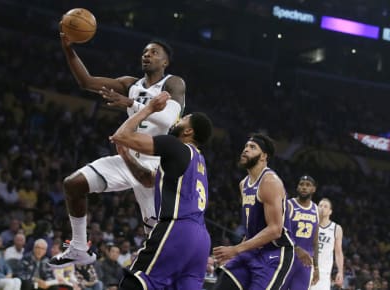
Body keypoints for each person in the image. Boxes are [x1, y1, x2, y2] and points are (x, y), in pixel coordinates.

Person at [49, 27, 185, 268]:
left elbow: (168, 120)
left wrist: (131, 103)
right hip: (127, 159)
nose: (147, 55)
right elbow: (86, 81)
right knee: (73, 184)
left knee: (159, 239)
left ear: (166, 61)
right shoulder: (129, 83)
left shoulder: (172, 83)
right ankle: (79, 249)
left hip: (156, 167)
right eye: (145, 52)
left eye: (154, 52)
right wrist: (68, 48)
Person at [109, 91, 213, 289]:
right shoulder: (199, 160)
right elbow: (148, 179)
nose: (176, 122)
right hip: (201, 241)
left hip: (178, 229)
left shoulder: (176, 146)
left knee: (134, 284)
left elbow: (121, 135)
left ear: (189, 131)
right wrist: (126, 156)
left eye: (183, 119)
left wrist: (149, 108)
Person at [212, 133, 294, 290]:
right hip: (252, 250)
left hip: (274, 253)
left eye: (252, 147)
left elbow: (275, 230)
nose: (245, 150)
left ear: (263, 156)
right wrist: (236, 252)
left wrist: (235, 249)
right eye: (245, 146)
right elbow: (252, 229)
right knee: (222, 285)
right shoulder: (244, 184)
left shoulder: (270, 181)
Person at [283, 175, 320, 289]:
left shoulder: (316, 209)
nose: (304, 187)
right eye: (301, 184)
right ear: (297, 188)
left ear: (313, 189)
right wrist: (296, 248)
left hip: (305, 264)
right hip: (287, 259)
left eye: (308, 185)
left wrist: (317, 267)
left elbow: (315, 241)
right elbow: (281, 232)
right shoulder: (289, 205)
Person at [310, 198, 344, 290]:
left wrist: (340, 272)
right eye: (320, 205)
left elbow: (338, 252)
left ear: (330, 212)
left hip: (323, 273)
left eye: (325, 206)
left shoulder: (336, 228)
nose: (322, 208)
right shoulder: (310, 224)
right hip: (307, 269)